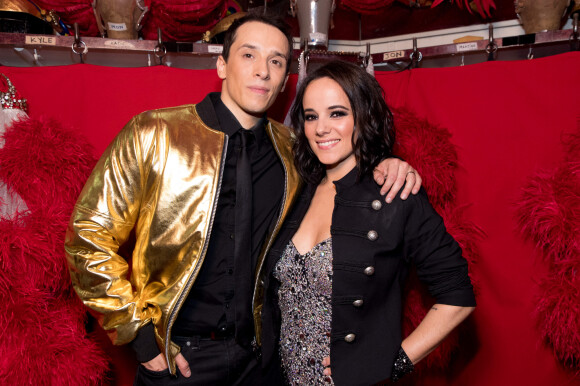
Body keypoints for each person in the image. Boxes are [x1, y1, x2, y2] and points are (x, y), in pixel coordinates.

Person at [64, 12, 422, 386]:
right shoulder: (154, 133)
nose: (262, 71)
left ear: (285, 79)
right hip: (177, 359)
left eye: (276, 61)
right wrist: (139, 338)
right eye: (248, 55)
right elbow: (87, 236)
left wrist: (386, 163)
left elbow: (345, 167)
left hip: (261, 363)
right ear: (221, 64)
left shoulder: (295, 152)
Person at [260, 60, 476, 385]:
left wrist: (394, 361)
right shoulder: (293, 189)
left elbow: (457, 296)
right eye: (311, 116)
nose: (321, 128)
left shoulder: (395, 193)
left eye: (337, 113)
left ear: (364, 115)